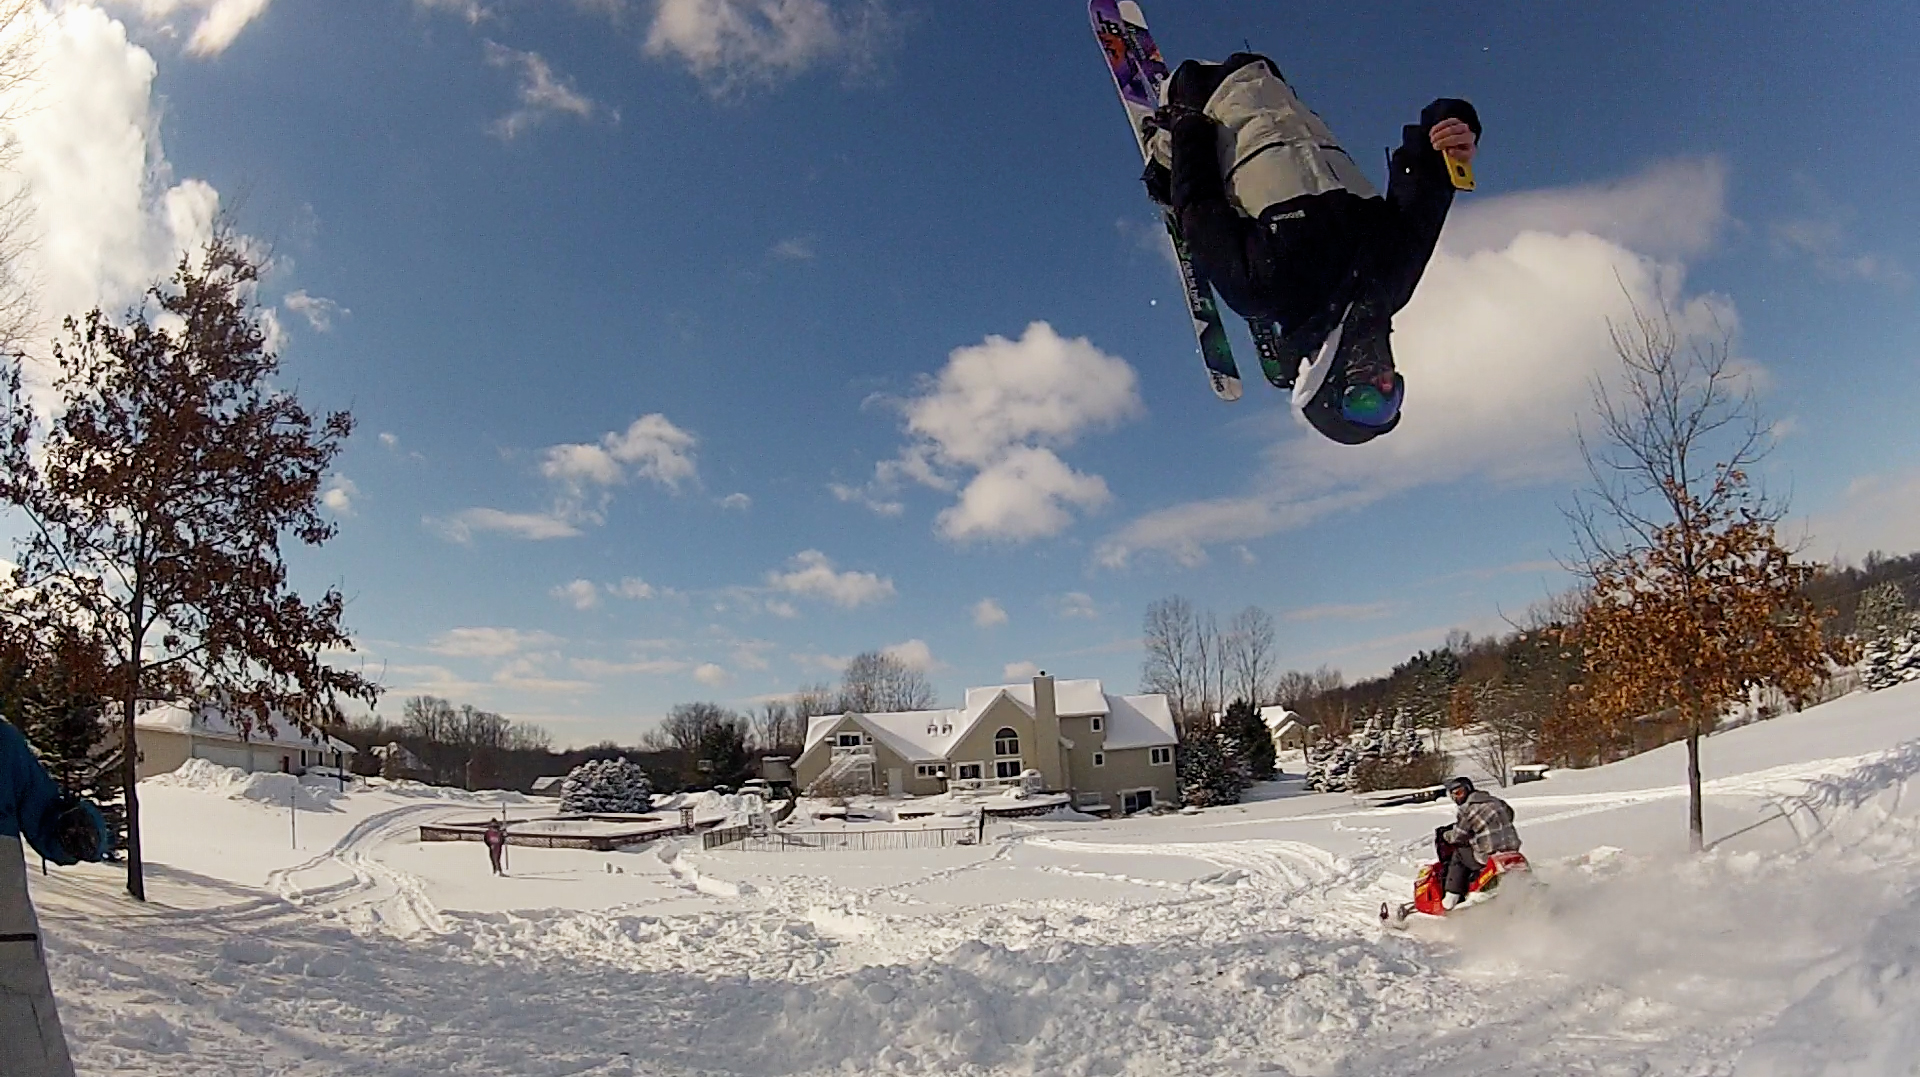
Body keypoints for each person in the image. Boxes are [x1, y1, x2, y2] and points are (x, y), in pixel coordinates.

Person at [1143, 53, 1480, 444]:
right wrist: (1453, 126)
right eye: (1394, 396)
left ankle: (1162, 157)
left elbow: (1199, 205)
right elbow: (1425, 184)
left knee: (1167, 177)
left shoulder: (1264, 289)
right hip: (1270, 78)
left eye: (1367, 402)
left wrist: (1186, 125)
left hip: (1206, 97)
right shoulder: (1392, 279)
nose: (1386, 383)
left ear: (1326, 390)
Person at [2, 717, 111, 1077]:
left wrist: (76, 828)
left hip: (5, 948)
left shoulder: (3, 745)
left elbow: (47, 814)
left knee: (26, 1052)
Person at [1439, 775, 1519, 909]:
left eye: (1459, 792)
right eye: (1453, 795)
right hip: (1511, 850)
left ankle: (1452, 895)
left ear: (1468, 790)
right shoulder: (1496, 801)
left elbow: (1458, 836)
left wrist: (1445, 835)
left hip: (1488, 855)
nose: (1456, 798)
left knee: (1459, 854)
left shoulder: (1468, 809)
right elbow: (1510, 815)